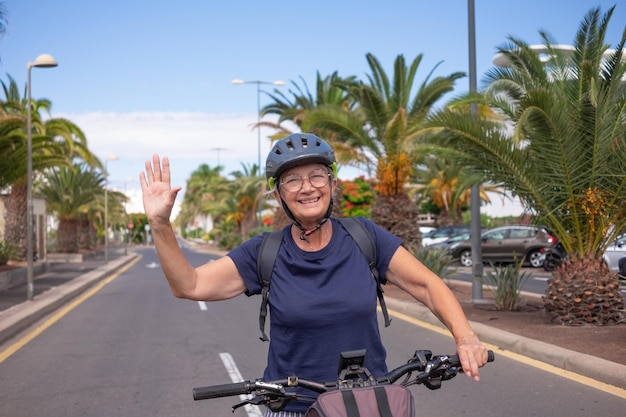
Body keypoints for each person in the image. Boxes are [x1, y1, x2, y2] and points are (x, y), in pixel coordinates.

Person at [140, 133, 489, 416]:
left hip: (369, 401)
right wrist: (160, 223)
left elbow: (428, 285)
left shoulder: (364, 237)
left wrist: (465, 337)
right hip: (292, 406)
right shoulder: (264, 253)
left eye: (316, 176)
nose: (307, 187)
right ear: (279, 195)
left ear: (332, 184)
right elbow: (190, 284)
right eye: (292, 180)